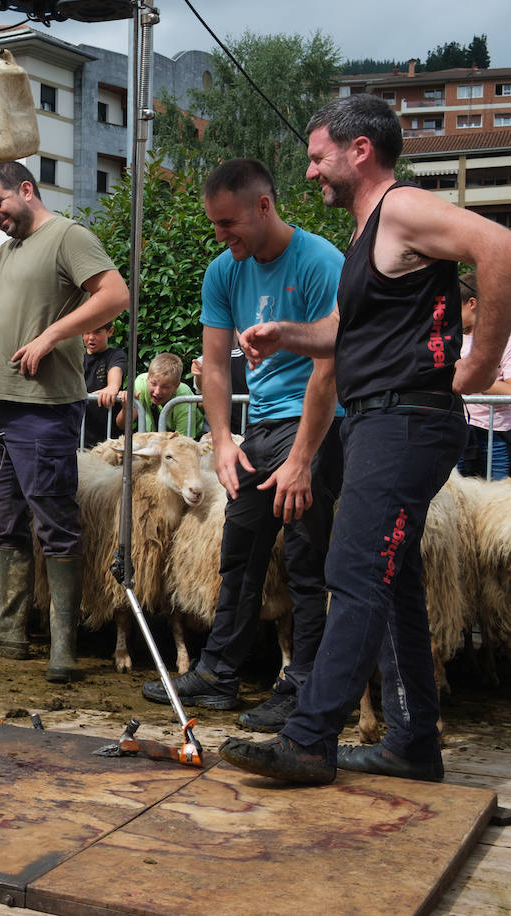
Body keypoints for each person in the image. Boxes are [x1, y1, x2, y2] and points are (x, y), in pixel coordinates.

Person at [223, 94, 511, 785]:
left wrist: (479, 363)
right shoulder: (367, 237)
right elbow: (347, 334)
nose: (311, 173)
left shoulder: (403, 207)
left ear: (359, 151)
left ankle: (309, 738)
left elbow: (499, 245)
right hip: (381, 417)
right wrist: (286, 333)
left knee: (352, 572)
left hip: (408, 419)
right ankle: (411, 743)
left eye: (318, 157)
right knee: (394, 580)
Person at [141, 158, 344, 734]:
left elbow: (329, 371)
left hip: (316, 421)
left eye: (228, 223)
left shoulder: (320, 263)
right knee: (240, 544)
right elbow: (215, 368)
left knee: (306, 556)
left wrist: (305, 457)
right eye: (213, 225)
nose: (220, 235)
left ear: (263, 206)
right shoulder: (222, 271)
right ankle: (219, 671)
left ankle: (306, 685)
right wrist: (224, 442)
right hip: (262, 427)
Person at [0, 160, 129, 682]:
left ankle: (63, 647)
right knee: (4, 520)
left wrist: (50, 336)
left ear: (27, 189)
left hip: (44, 407)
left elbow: (115, 295)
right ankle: (10, 627)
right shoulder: (5, 253)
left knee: (54, 522)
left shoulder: (67, 236)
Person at [455, 271, 511, 480]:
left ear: (472, 303)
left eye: (455, 307)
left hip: (495, 436)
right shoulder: (451, 341)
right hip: (459, 431)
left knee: (497, 497)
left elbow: (509, 391)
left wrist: (471, 377)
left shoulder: (506, 340)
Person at [116, 353, 199, 437]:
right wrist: (126, 408)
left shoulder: (184, 397)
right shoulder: (141, 383)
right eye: (153, 384)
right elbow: (122, 425)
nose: (157, 391)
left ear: (176, 386)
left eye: (165, 387)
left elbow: (183, 443)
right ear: (148, 378)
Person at [81, 321, 127, 447]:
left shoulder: (115, 355)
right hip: (80, 439)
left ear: (110, 331)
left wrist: (112, 387)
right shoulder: (77, 358)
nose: (91, 337)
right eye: (87, 332)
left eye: (97, 332)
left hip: (109, 441)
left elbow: (116, 371)